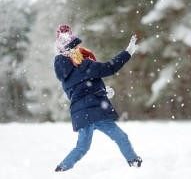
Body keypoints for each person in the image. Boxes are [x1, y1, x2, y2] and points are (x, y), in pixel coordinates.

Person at [53, 24, 142, 172]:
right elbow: (109, 67)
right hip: (95, 113)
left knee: (82, 147)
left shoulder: (64, 74)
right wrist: (128, 53)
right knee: (121, 137)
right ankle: (134, 163)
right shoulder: (81, 65)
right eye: (75, 47)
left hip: (82, 114)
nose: (78, 49)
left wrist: (102, 92)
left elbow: (79, 92)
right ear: (70, 49)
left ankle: (61, 169)